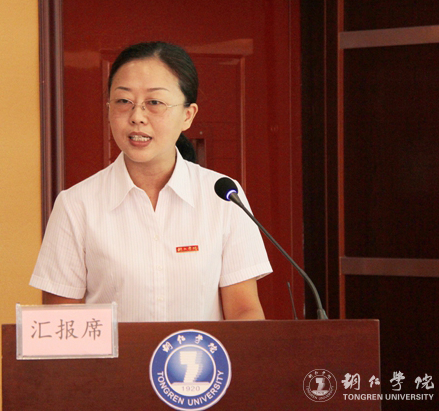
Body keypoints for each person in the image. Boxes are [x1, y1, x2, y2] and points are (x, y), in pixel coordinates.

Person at [30, 42, 272, 322]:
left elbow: (244, 312)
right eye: (124, 101)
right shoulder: (76, 205)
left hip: (199, 353)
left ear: (188, 115)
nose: (137, 117)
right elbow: (62, 322)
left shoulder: (224, 197)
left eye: (155, 103)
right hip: (112, 355)